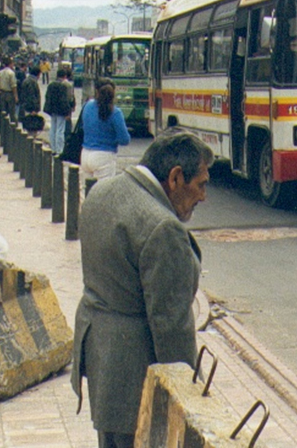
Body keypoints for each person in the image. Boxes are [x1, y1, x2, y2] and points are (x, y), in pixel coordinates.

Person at [71, 130, 213, 447]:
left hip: (101, 363)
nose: (204, 196)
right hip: (136, 378)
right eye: (201, 184)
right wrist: (191, 401)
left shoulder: (102, 191)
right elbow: (171, 328)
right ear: (176, 177)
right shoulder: (163, 228)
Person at [80, 78, 131, 181]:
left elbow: (83, 126)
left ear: (96, 91)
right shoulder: (115, 112)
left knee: (88, 193)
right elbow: (124, 140)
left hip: (85, 154)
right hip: (104, 156)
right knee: (104, 194)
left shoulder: (87, 106)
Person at [43, 67, 75, 155]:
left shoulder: (51, 85)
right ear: (64, 76)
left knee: (53, 128)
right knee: (60, 130)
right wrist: (67, 111)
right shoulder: (63, 86)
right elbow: (64, 100)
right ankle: (59, 149)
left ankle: (53, 148)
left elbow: (47, 97)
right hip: (61, 111)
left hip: (52, 110)